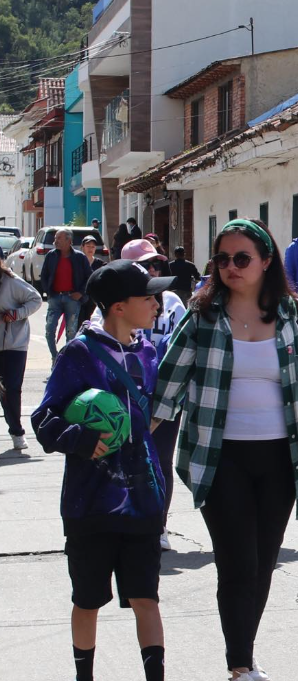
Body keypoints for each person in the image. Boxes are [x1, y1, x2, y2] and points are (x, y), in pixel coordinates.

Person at [152, 219, 298, 680]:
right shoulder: (202, 317)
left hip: (283, 455)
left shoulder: (295, 316)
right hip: (219, 456)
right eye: (222, 259)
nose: (231, 267)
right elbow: (168, 384)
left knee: (262, 560)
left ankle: (244, 651)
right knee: (237, 560)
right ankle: (239, 664)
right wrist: (135, 440)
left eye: (242, 258)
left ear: (265, 261)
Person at [33, 259, 174, 681]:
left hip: (144, 498)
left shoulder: (149, 351)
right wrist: (79, 439)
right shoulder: (80, 353)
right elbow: (44, 419)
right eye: (146, 296)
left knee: (146, 597)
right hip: (90, 501)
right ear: (117, 306)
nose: (156, 303)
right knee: (89, 599)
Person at [93, 239, 189, 551]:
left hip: (164, 397)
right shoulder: (108, 309)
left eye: (157, 264)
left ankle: (158, 524)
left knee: (159, 461)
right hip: (124, 399)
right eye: (146, 265)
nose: (153, 270)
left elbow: (182, 349)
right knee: (124, 459)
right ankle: (123, 518)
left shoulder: (172, 302)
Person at [0, 259, 40, 450]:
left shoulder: (11, 282)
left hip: (14, 344)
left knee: (12, 389)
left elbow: (36, 299)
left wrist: (16, 314)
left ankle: (17, 432)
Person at [40, 228, 93, 357]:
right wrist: (49, 292)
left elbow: (89, 277)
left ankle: (67, 358)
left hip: (72, 300)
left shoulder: (79, 257)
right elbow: (44, 275)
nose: (55, 241)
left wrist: (80, 293)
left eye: (59, 238)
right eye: (55, 238)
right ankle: (55, 357)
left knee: (71, 332)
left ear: (69, 241)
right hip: (55, 298)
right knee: (49, 330)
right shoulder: (51, 256)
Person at [77, 236, 109, 327]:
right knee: (78, 324)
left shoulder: (100, 264)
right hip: (79, 298)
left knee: (92, 324)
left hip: (94, 300)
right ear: (82, 247)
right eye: (88, 246)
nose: (90, 249)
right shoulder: (77, 262)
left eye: (93, 247)